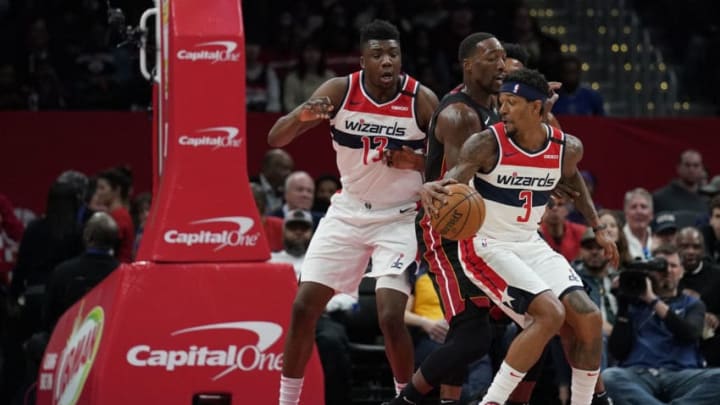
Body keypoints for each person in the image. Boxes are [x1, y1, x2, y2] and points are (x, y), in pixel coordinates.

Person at [420, 68, 619, 405]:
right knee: (551, 315)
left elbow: (574, 184)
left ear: (538, 109)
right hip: (486, 246)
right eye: (502, 102)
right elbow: (452, 181)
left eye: (512, 103)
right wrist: (432, 189)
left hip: (530, 244)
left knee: (588, 317)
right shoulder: (485, 143)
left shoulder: (566, 148)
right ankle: (492, 402)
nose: (503, 110)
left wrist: (598, 228)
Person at [268, 19, 439, 405]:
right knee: (302, 307)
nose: (387, 61)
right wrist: (302, 117)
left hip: (398, 218)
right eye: (377, 54)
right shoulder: (339, 90)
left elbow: (455, 164)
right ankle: (286, 401)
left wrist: (417, 162)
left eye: (393, 53)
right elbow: (275, 137)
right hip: (347, 212)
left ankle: (404, 399)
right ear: (362, 60)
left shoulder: (421, 100)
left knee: (391, 316)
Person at [391, 32, 505, 405]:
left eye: (504, 58)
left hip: (480, 227)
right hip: (447, 228)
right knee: (472, 335)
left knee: (476, 330)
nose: (501, 65)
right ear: (468, 65)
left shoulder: (495, 108)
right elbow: (460, 188)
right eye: (492, 58)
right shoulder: (460, 115)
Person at [603, 244, 720, 404]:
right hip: (640, 374)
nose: (667, 271)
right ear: (650, 272)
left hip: (682, 374)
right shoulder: (634, 303)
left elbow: (690, 334)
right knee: (609, 377)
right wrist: (623, 306)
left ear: (682, 271)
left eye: (673, 266)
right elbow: (617, 351)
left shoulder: (692, 304)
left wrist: (653, 300)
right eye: (661, 267)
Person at [43, 212, 120, 332]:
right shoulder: (123, 276)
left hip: (65, 338)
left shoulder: (62, 272)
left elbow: (48, 317)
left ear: (87, 236)